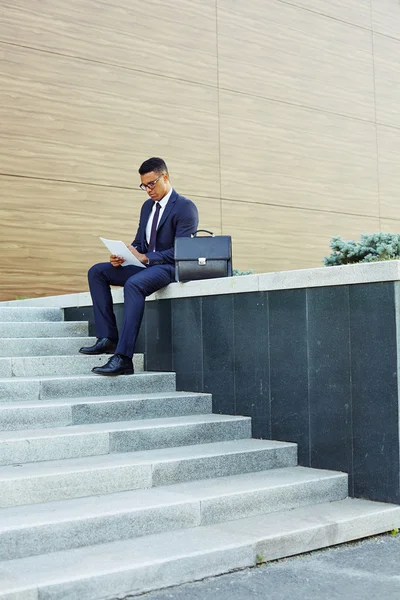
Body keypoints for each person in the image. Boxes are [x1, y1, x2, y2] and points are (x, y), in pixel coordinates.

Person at [79, 157, 199, 375]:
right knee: (97, 272)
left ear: (166, 177)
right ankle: (108, 338)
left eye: (152, 184)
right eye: (144, 185)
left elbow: (183, 251)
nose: (148, 190)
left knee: (133, 284)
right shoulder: (147, 207)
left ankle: (124, 358)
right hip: (146, 266)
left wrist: (146, 258)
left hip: (169, 267)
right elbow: (140, 243)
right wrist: (125, 255)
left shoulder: (185, 207)